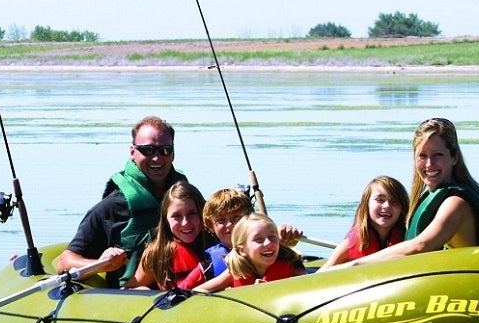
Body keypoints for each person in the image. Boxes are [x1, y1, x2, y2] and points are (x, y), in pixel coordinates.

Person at [322, 118, 479, 270]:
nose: (429, 164)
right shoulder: (433, 198)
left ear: (454, 157)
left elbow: (420, 246)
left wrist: (355, 264)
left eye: (437, 155)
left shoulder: (456, 203)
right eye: (422, 156)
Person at [56, 116, 188, 288]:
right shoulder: (111, 207)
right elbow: (64, 262)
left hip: (187, 291)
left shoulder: (187, 198)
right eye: (148, 150)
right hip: (132, 298)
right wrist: (101, 263)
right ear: (132, 152)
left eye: (164, 150)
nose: (156, 158)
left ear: (173, 153)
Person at [124, 181, 212, 289]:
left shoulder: (222, 245)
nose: (185, 222)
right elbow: (128, 290)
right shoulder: (156, 253)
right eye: (176, 216)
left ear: (202, 214)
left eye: (192, 213)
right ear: (166, 220)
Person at [194, 213, 307, 292]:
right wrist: (246, 293)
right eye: (259, 240)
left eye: (272, 237)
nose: (268, 243)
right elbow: (199, 291)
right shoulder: (236, 271)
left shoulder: (290, 266)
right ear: (242, 250)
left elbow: (313, 286)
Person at [318, 175, 409, 271]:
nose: (386, 205)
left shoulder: (408, 238)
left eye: (394, 201)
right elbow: (324, 271)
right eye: (380, 200)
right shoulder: (354, 241)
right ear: (367, 204)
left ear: (402, 208)